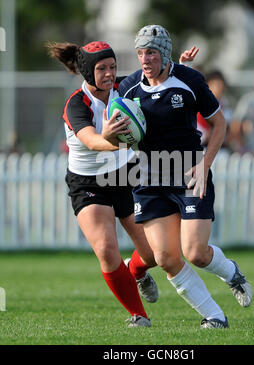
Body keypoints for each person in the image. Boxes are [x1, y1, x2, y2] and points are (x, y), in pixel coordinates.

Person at [118, 25, 252, 329]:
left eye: (150, 52)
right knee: (165, 257)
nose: (144, 58)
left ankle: (231, 273)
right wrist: (115, 134)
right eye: (140, 52)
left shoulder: (189, 80)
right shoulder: (128, 89)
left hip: (189, 173)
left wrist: (205, 165)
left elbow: (219, 125)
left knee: (195, 253)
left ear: (164, 54)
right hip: (149, 180)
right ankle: (215, 316)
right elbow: (114, 133)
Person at [47, 40, 159, 328]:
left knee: (155, 252)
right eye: (101, 69)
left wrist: (183, 64)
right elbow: (91, 141)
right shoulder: (76, 104)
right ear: (87, 72)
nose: (109, 74)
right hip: (87, 181)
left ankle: (137, 272)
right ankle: (139, 316)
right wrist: (109, 137)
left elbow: (156, 76)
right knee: (107, 250)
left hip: (125, 173)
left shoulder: (123, 88)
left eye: (112, 67)